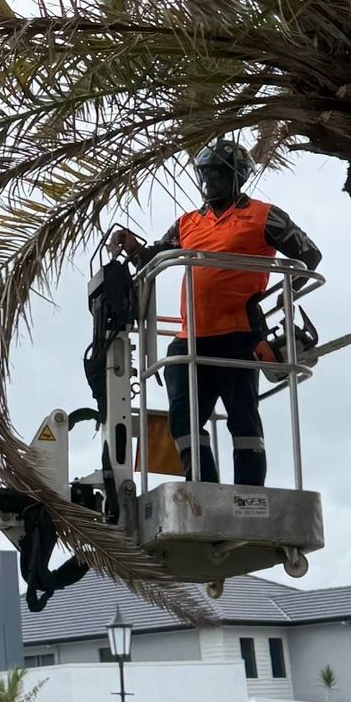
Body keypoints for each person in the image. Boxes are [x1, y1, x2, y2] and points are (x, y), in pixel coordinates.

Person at [110, 140, 320, 486]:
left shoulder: (266, 215)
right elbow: (153, 258)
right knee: (183, 418)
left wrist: (277, 299)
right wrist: (132, 246)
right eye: (205, 174)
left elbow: (309, 258)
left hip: (239, 334)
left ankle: (249, 493)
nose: (209, 182)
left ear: (237, 177)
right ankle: (204, 488)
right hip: (190, 337)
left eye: (218, 174)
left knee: (243, 418)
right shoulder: (188, 222)